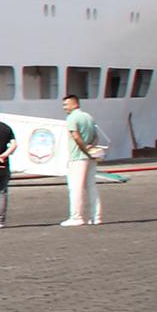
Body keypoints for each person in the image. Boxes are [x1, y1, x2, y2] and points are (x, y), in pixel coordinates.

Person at [59, 88, 104, 228]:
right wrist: (90, 148)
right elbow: (96, 137)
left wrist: (85, 149)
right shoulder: (88, 117)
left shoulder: (72, 118)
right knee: (91, 186)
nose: (64, 108)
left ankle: (76, 217)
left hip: (78, 157)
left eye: (66, 105)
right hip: (90, 157)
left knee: (75, 187)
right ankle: (96, 217)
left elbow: (76, 136)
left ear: (74, 104)